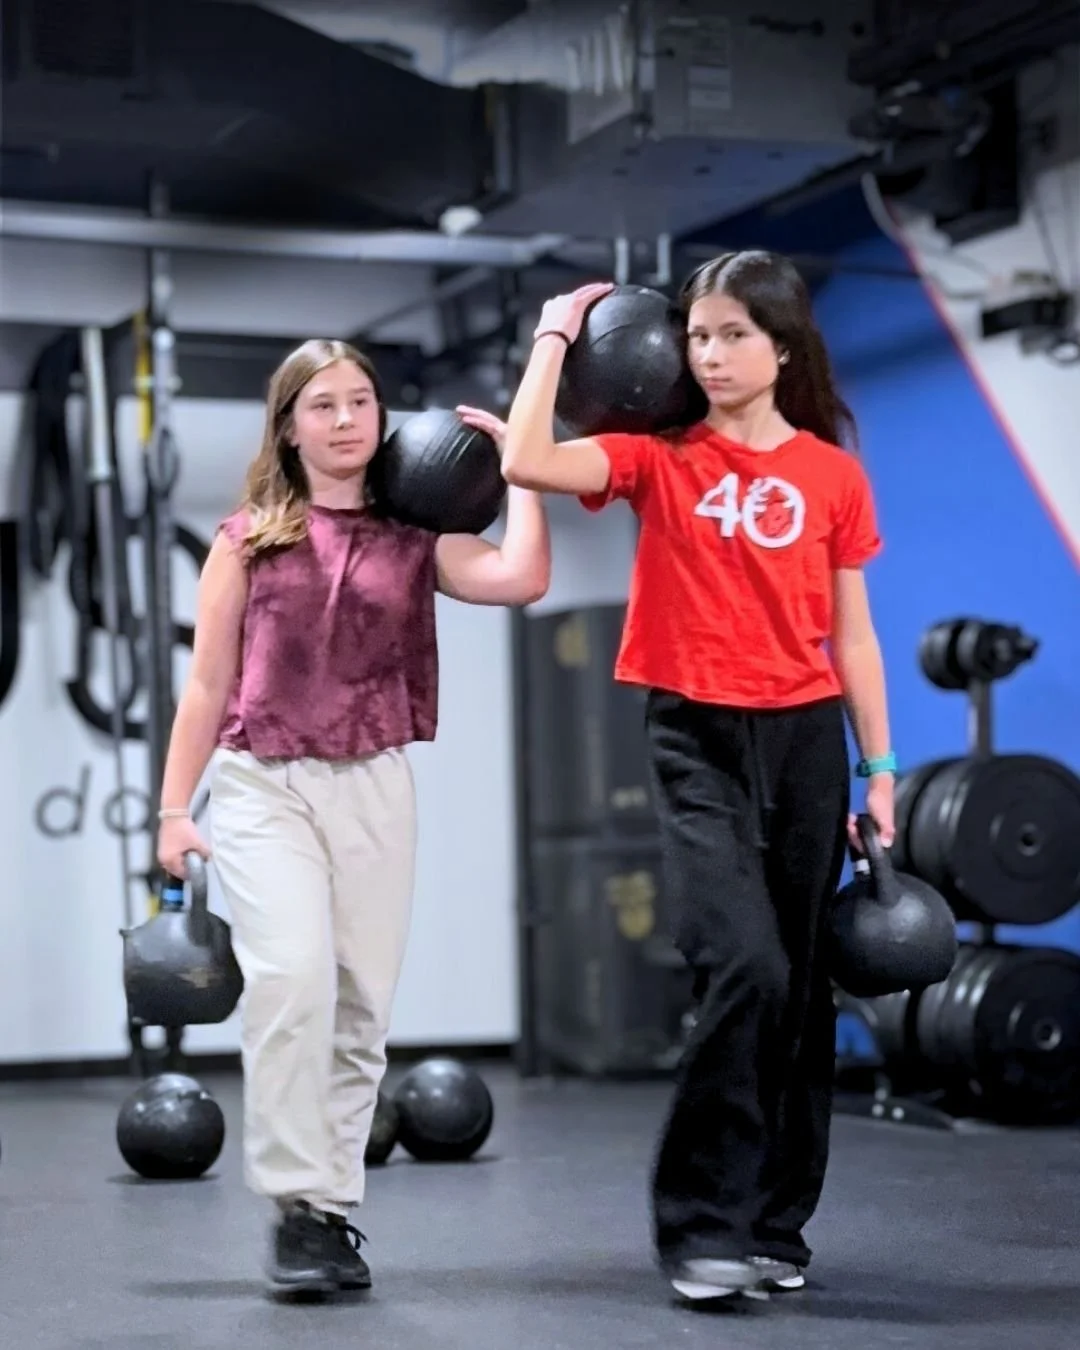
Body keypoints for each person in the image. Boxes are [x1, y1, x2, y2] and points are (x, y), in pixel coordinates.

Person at [495, 251, 895, 1305]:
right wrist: (553, 336)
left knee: (800, 992)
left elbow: (853, 636)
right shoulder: (657, 458)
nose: (708, 356)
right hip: (696, 737)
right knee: (745, 966)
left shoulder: (832, 475)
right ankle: (701, 1228)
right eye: (697, 337)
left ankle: (776, 1226)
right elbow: (527, 459)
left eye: (731, 335)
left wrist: (882, 769)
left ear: (782, 348)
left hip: (807, 740)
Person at [155, 338, 550, 1297]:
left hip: (373, 780)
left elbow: (522, 579)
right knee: (292, 980)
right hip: (263, 783)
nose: (346, 421)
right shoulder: (247, 539)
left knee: (362, 1003)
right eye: (323, 405)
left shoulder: (416, 536)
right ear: (289, 427)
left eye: (361, 402)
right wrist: (172, 810)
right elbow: (206, 685)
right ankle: (295, 1205)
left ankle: (329, 1213)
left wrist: (523, 469)